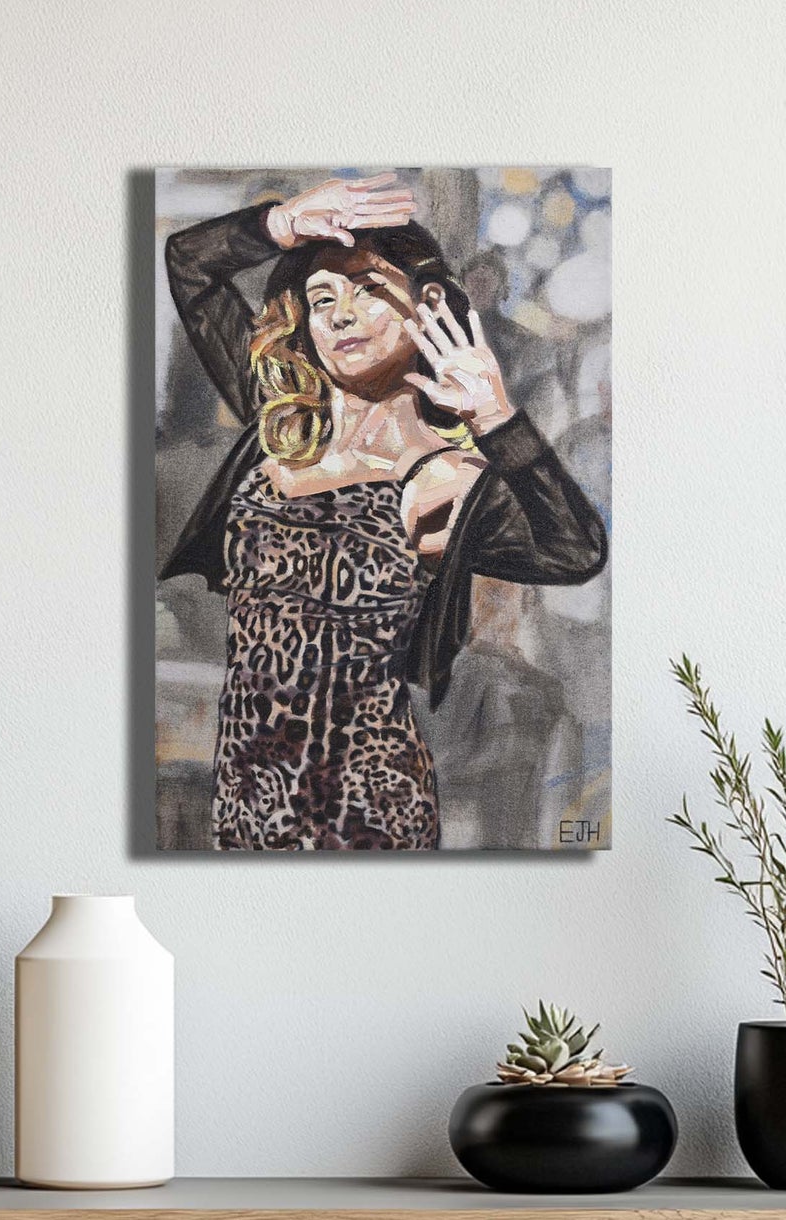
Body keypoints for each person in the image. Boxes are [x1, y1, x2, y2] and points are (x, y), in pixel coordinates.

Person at [161, 172, 607, 850]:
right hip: (246, 788)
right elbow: (189, 263)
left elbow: (575, 550)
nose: (338, 313)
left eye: (366, 291)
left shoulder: (446, 472)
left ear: (424, 310)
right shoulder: (279, 425)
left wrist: (494, 415)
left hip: (367, 804)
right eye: (320, 297)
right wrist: (280, 224)